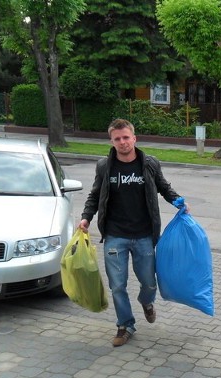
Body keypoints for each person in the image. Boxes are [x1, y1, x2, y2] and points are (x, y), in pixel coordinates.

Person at [79, 118, 187, 347]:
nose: (122, 142)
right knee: (117, 285)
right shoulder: (104, 166)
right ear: (112, 141)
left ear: (134, 138)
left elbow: (164, 188)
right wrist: (86, 218)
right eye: (117, 138)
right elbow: (95, 196)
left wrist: (179, 202)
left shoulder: (149, 163)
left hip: (144, 235)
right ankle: (125, 325)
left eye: (126, 137)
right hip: (115, 235)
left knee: (149, 283)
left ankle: (147, 303)